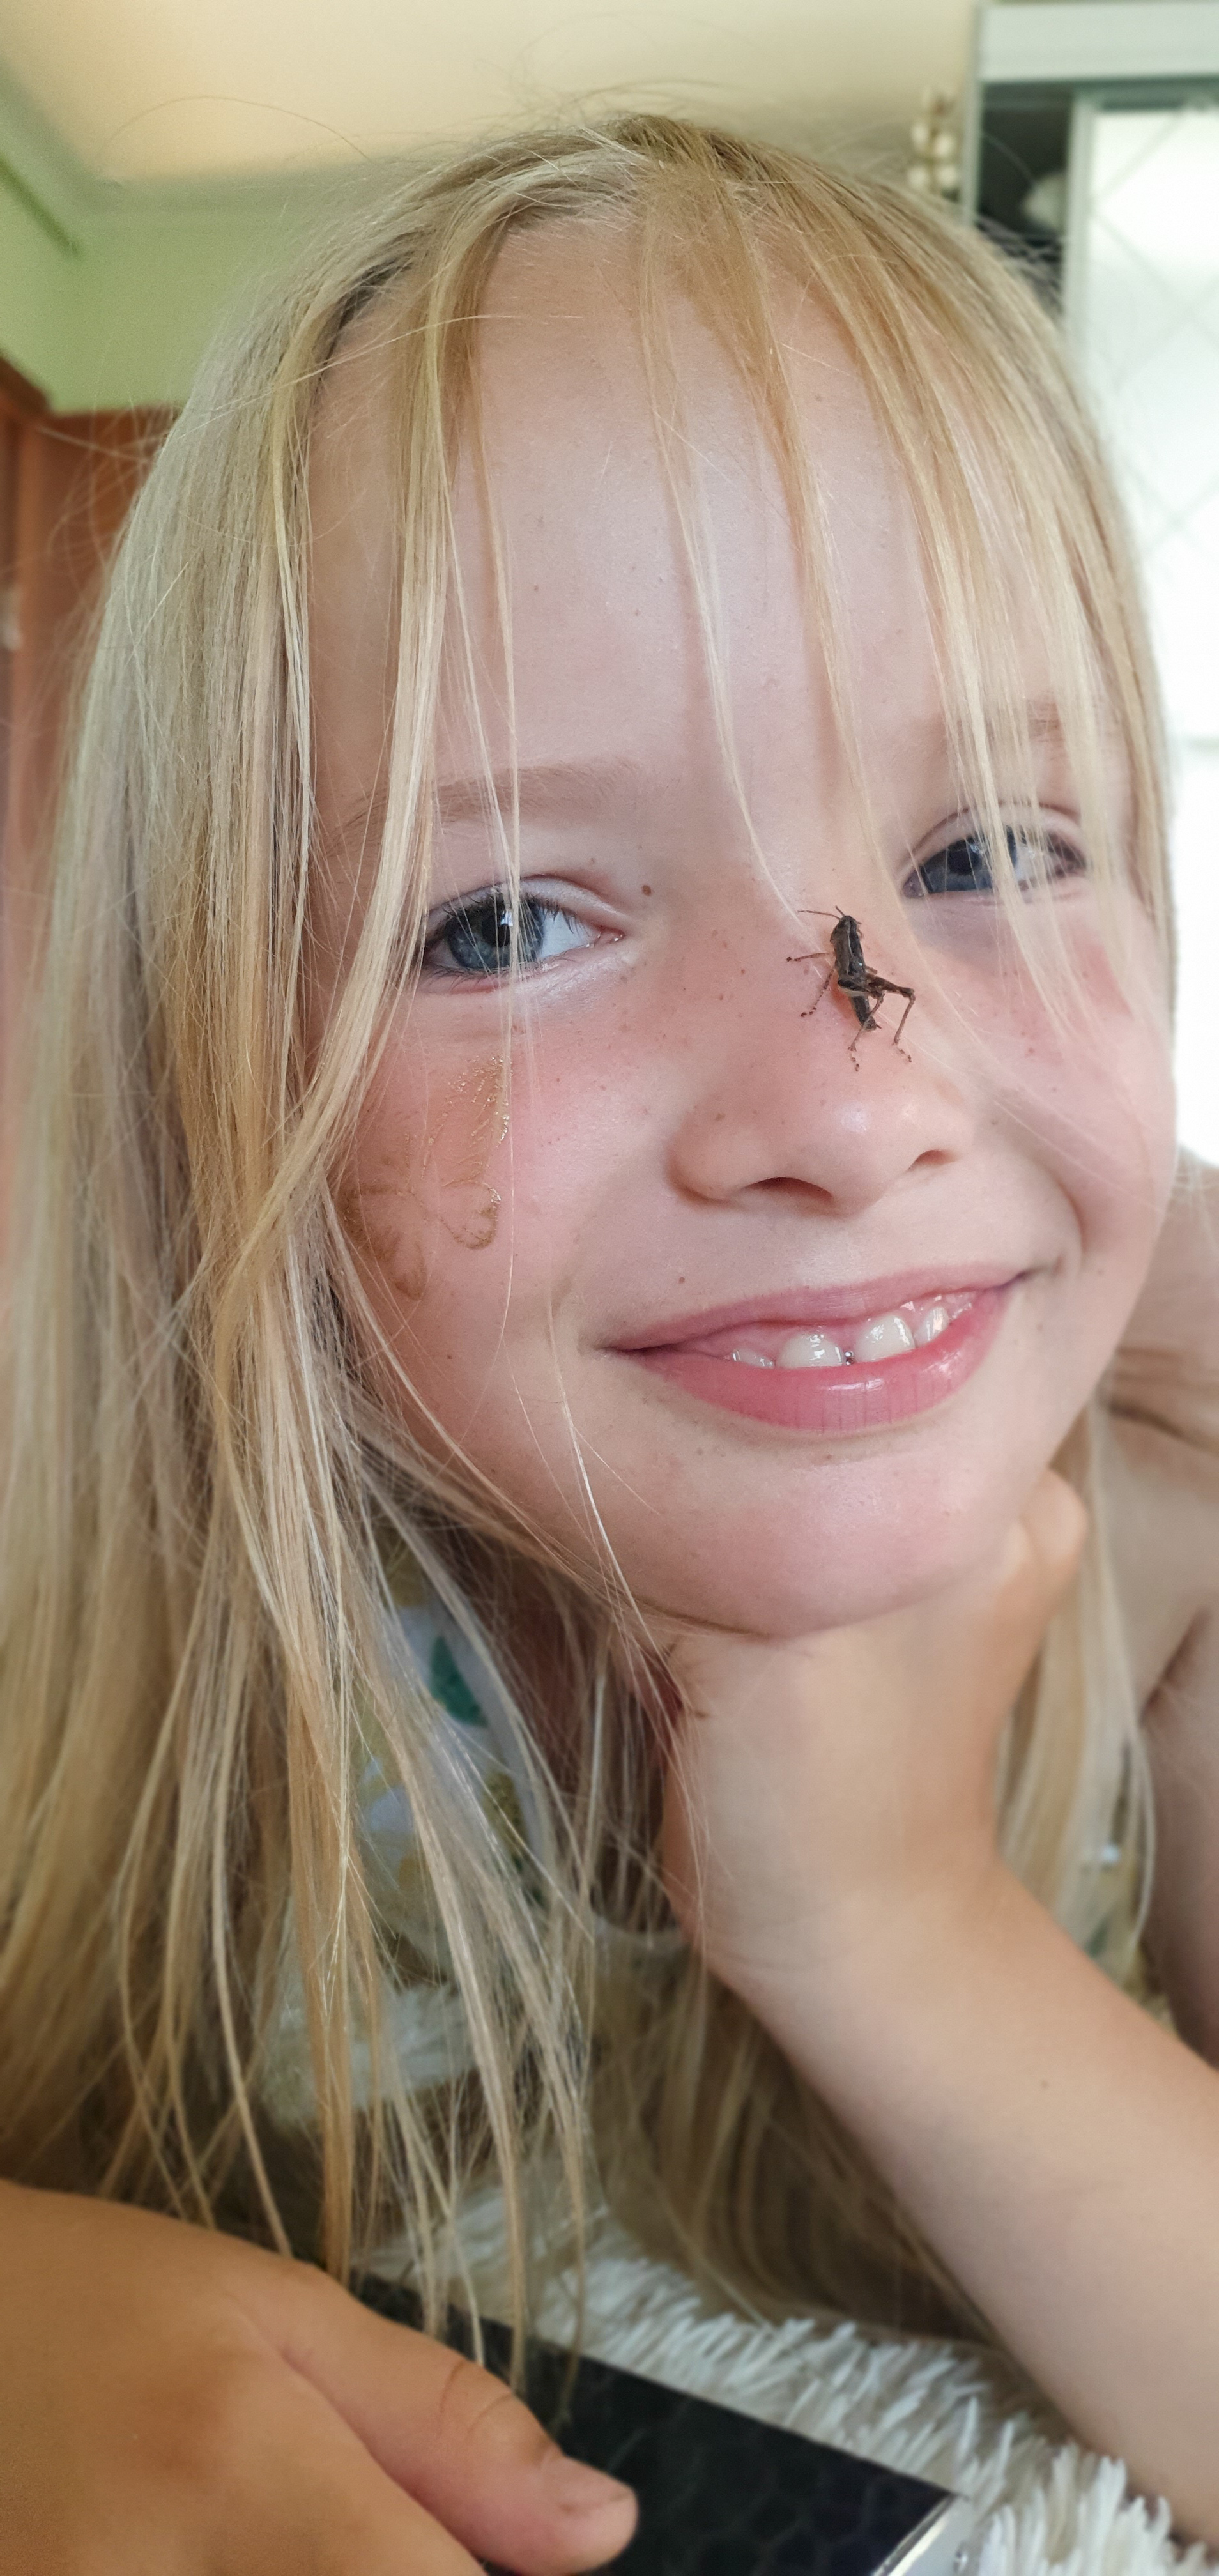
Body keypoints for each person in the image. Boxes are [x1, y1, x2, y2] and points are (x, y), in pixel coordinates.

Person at [1, 113, 1216, 2570]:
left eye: (988, 850)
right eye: (505, 921)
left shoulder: (1178, 1578)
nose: (852, 1115)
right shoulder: (97, 1624)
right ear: (216, 1083)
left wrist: (888, 1920)